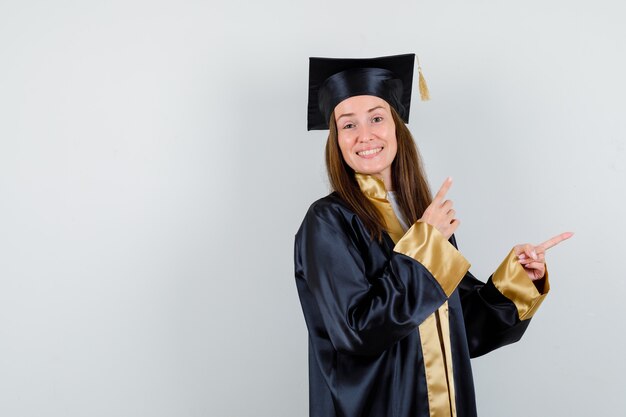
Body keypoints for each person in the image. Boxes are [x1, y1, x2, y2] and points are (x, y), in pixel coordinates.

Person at [294, 54, 572, 417]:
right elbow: (356, 331)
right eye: (348, 125)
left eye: (377, 118)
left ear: (396, 127)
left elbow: (463, 326)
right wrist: (426, 247)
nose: (365, 135)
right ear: (337, 139)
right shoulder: (328, 222)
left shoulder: (420, 216)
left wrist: (517, 279)